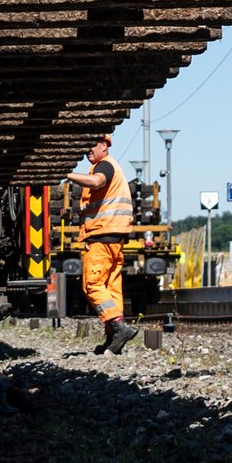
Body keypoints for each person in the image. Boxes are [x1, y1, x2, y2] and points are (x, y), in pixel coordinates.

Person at [68, 140, 138, 349]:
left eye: (92, 145)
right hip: (115, 237)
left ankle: (118, 325)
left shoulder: (105, 165)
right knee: (111, 288)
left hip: (101, 235)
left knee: (92, 284)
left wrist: (67, 174)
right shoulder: (112, 166)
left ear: (104, 146)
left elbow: (97, 182)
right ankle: (113, 339)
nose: (87, 149)